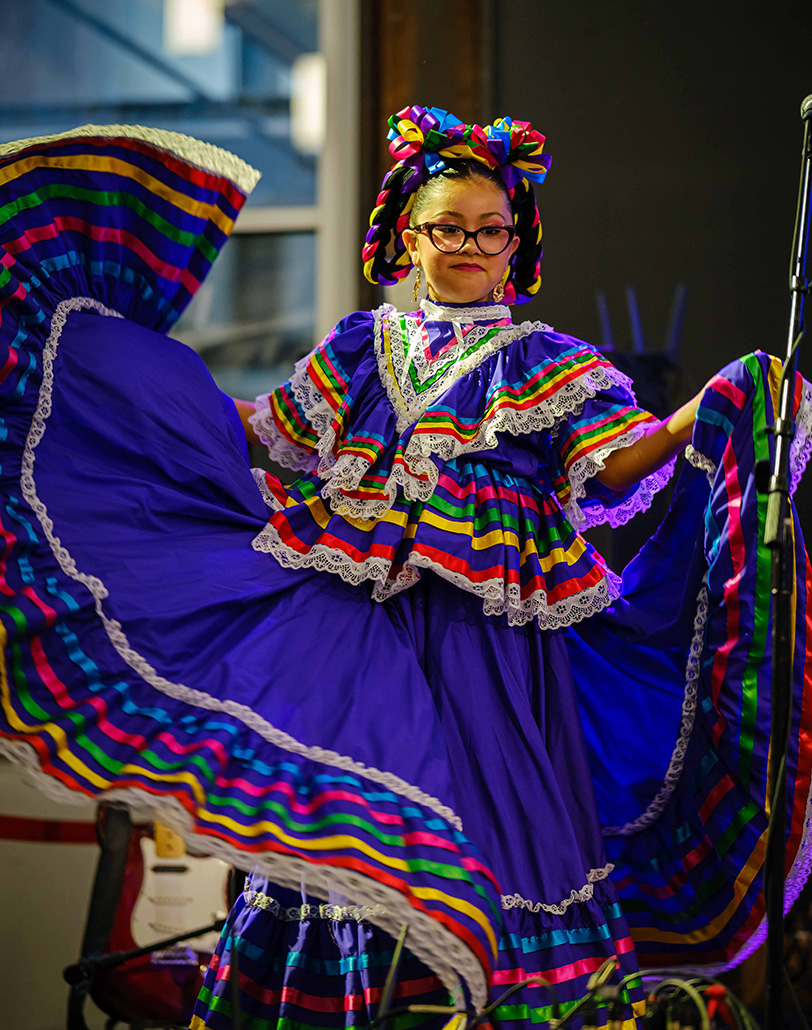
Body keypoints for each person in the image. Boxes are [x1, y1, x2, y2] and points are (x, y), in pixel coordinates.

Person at [0, 109, 809, 1030]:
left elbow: (618, 460)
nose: (469, 244)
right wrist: (124, 370)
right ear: (406, 237)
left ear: (517, 244)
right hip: (359, 635)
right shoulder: (359, 349)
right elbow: (264, 433)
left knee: (497, 819)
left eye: (489, 228)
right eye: (447, 226)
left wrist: (704, 407)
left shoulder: (545, 364)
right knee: (357, 803)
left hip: (492, 656)